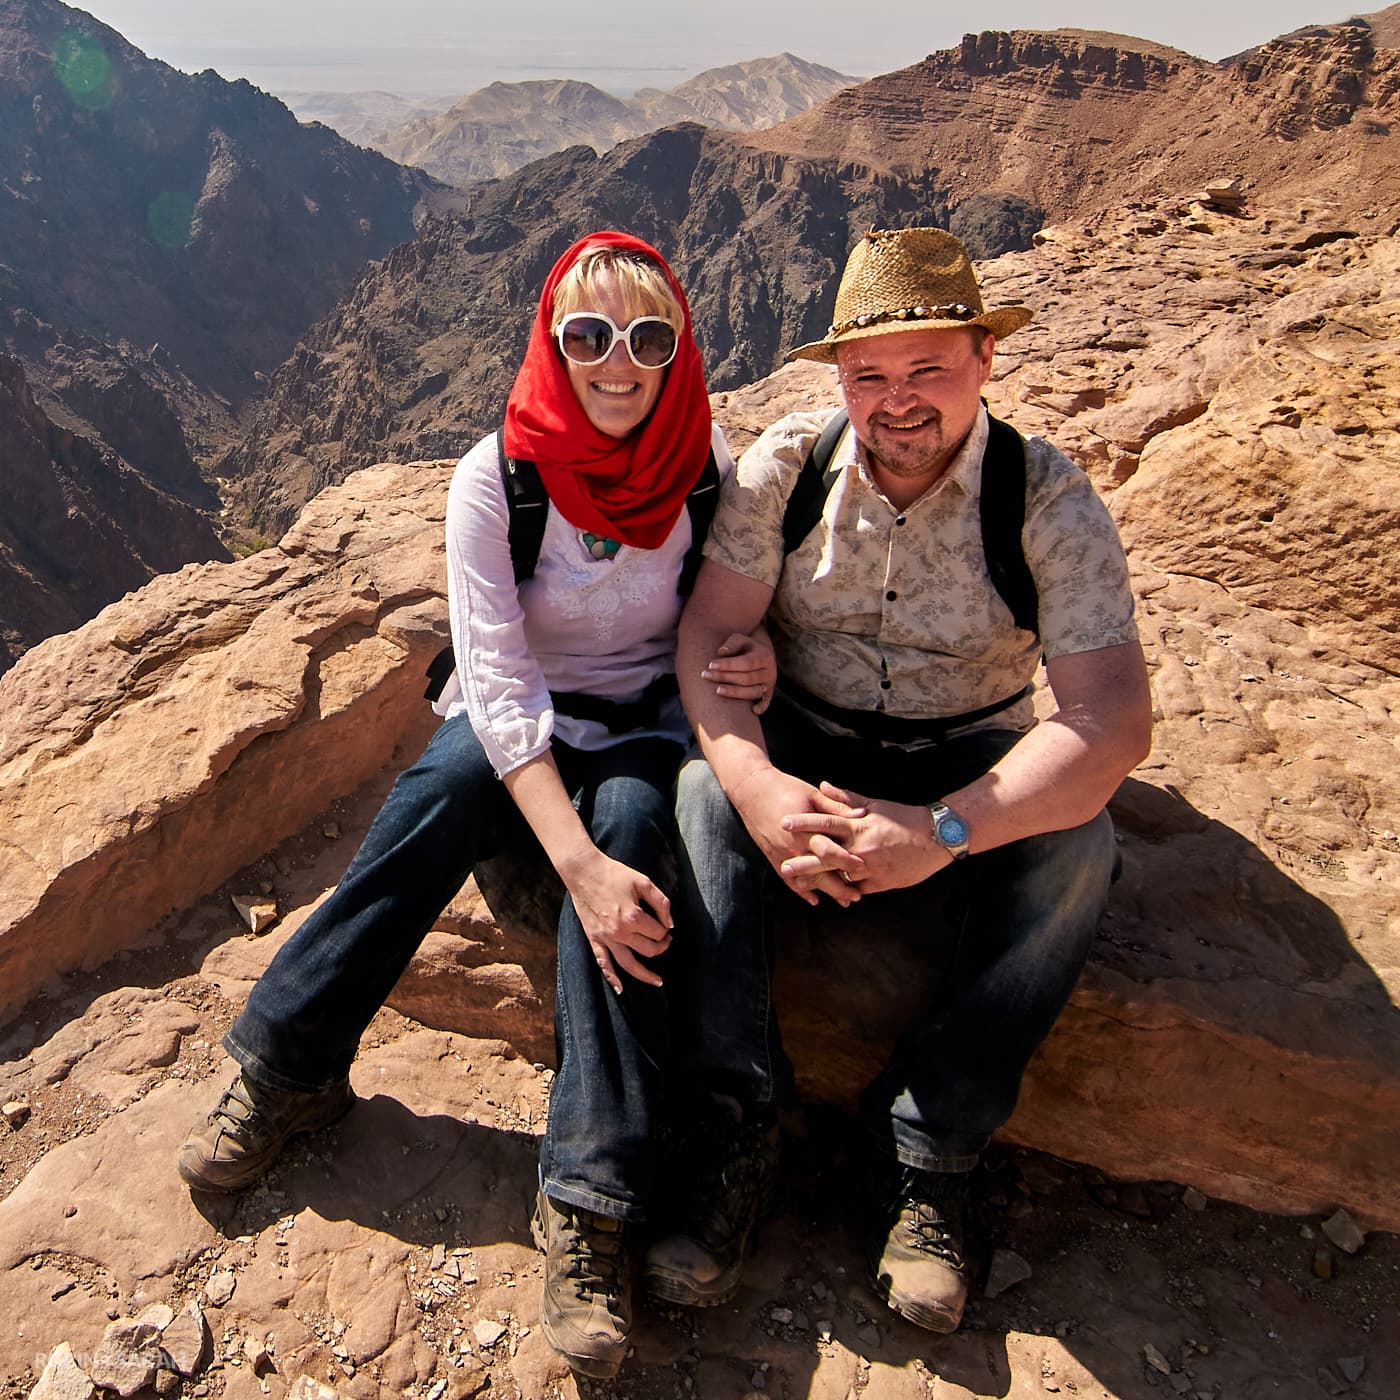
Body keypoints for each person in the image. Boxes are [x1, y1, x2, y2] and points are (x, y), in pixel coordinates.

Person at [176, 231, 773, 1379]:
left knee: (640, 834)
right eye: (586, 334)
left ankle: (589, 1198)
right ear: (551, 341)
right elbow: (494, 690)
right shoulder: (494, 476)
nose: (616, 362)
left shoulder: (705, 470)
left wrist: (762, 666)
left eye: (647, 338)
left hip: (644, 728)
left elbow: (739, 615)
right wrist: (575, 870)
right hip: (521, 729)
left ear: (675, 352)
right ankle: (285, 1065)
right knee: (440, 788)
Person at [645, 227, 1152, 1335]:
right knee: (697, 796)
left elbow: (1110, 722)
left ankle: (927, 1152)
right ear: (838, 379)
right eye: (870, 373)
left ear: (982, 358)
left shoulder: (1042, 500)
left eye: (928, 367)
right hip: (809, 732)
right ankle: (733, 1122)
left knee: (1079, 845)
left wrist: (943, 828)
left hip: (966, 748)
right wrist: (757, 781)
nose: (898, 400)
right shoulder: (784, 467)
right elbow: (709, 640)